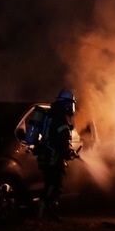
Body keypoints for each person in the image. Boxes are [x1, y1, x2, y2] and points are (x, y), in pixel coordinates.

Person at [35, 89, 79, 220]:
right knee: (55, 185)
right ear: (65, 103)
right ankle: (44, 210)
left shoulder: (51, 115)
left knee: (50, 183)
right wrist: (67, 151)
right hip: (54, 157)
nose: (71, 108)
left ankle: (45, 213)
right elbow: (60, 140)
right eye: (70, 104)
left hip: (47, 155)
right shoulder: (60, 119)